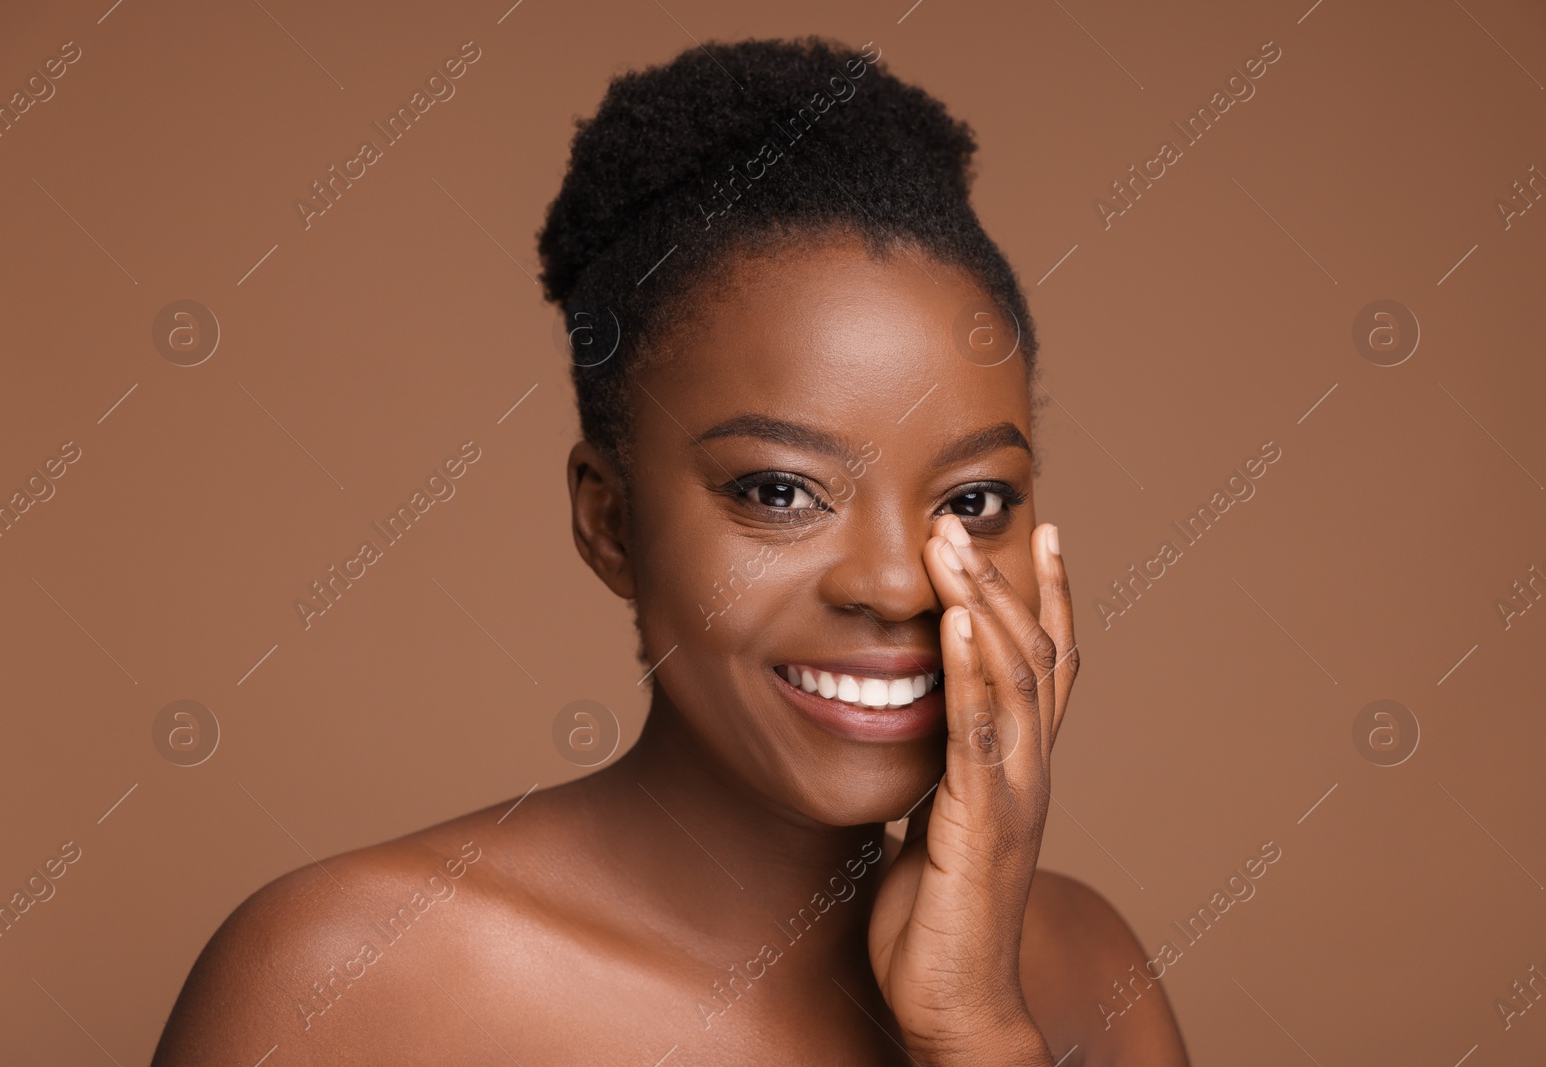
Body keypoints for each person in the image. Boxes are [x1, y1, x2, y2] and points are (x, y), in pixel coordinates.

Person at [153, 36, 1189, 1066]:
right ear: (609, 522)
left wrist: (970, 1028)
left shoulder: (1079, 976)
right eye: (779, 491)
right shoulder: (347, 980)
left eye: (972, 499)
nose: (890, 583)